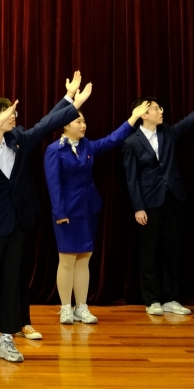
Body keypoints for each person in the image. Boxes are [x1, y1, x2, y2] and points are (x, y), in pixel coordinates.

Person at [0, 74, 86, 364]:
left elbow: (46, 124)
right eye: (8, 112)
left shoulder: (18, 138)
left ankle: (7, 338)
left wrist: (69, 100)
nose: (14, 115)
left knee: (12, 282)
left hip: (18, 223)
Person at [43, 102, 151, 323]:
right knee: (67, 260)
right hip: (66, 213)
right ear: (65, 125)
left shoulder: (87, 146)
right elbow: (54, 185)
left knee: (84, 259)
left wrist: (132, 118)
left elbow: (112, 139)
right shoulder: (54, 150)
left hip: (88, 210)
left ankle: (81, 307)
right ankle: (66, 307)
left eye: (84, 121)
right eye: (78, 121)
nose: (83, 125)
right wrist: (60, 213)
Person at [120, 97, 191, 319]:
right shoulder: (131, 142)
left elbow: (190, 121)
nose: (160, 111)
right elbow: (132, 179)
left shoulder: (168, 132)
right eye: (155, 109)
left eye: (160, 107)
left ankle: (171, 298)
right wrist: (138, 207)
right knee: (149, 251)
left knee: (173, 249)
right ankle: (152, 299)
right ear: (143, 114)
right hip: (149, 202)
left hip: (174, 198)